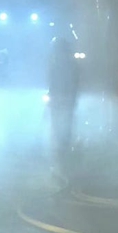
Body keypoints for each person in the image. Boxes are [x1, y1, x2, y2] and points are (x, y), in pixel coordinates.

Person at [47, 36, 80, 176]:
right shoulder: (58, 65)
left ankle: (63, 163)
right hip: (60, 102)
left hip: (65, 102)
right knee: (59, 132)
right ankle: (61, 163)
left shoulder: (67, 65)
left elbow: (73, 84)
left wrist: (68, 99)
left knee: (63, 132)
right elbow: (52, 84)